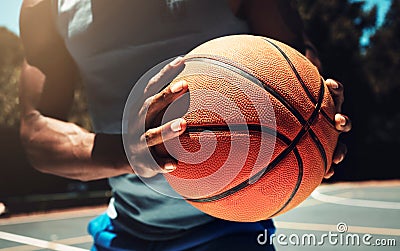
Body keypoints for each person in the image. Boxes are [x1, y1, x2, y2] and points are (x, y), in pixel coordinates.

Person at [19, 0, 351, 250]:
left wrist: (316, 114)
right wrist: (129, 151)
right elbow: (35, 130)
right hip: (127, 227)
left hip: (232, 223)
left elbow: (294, 58)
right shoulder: (43, 5)